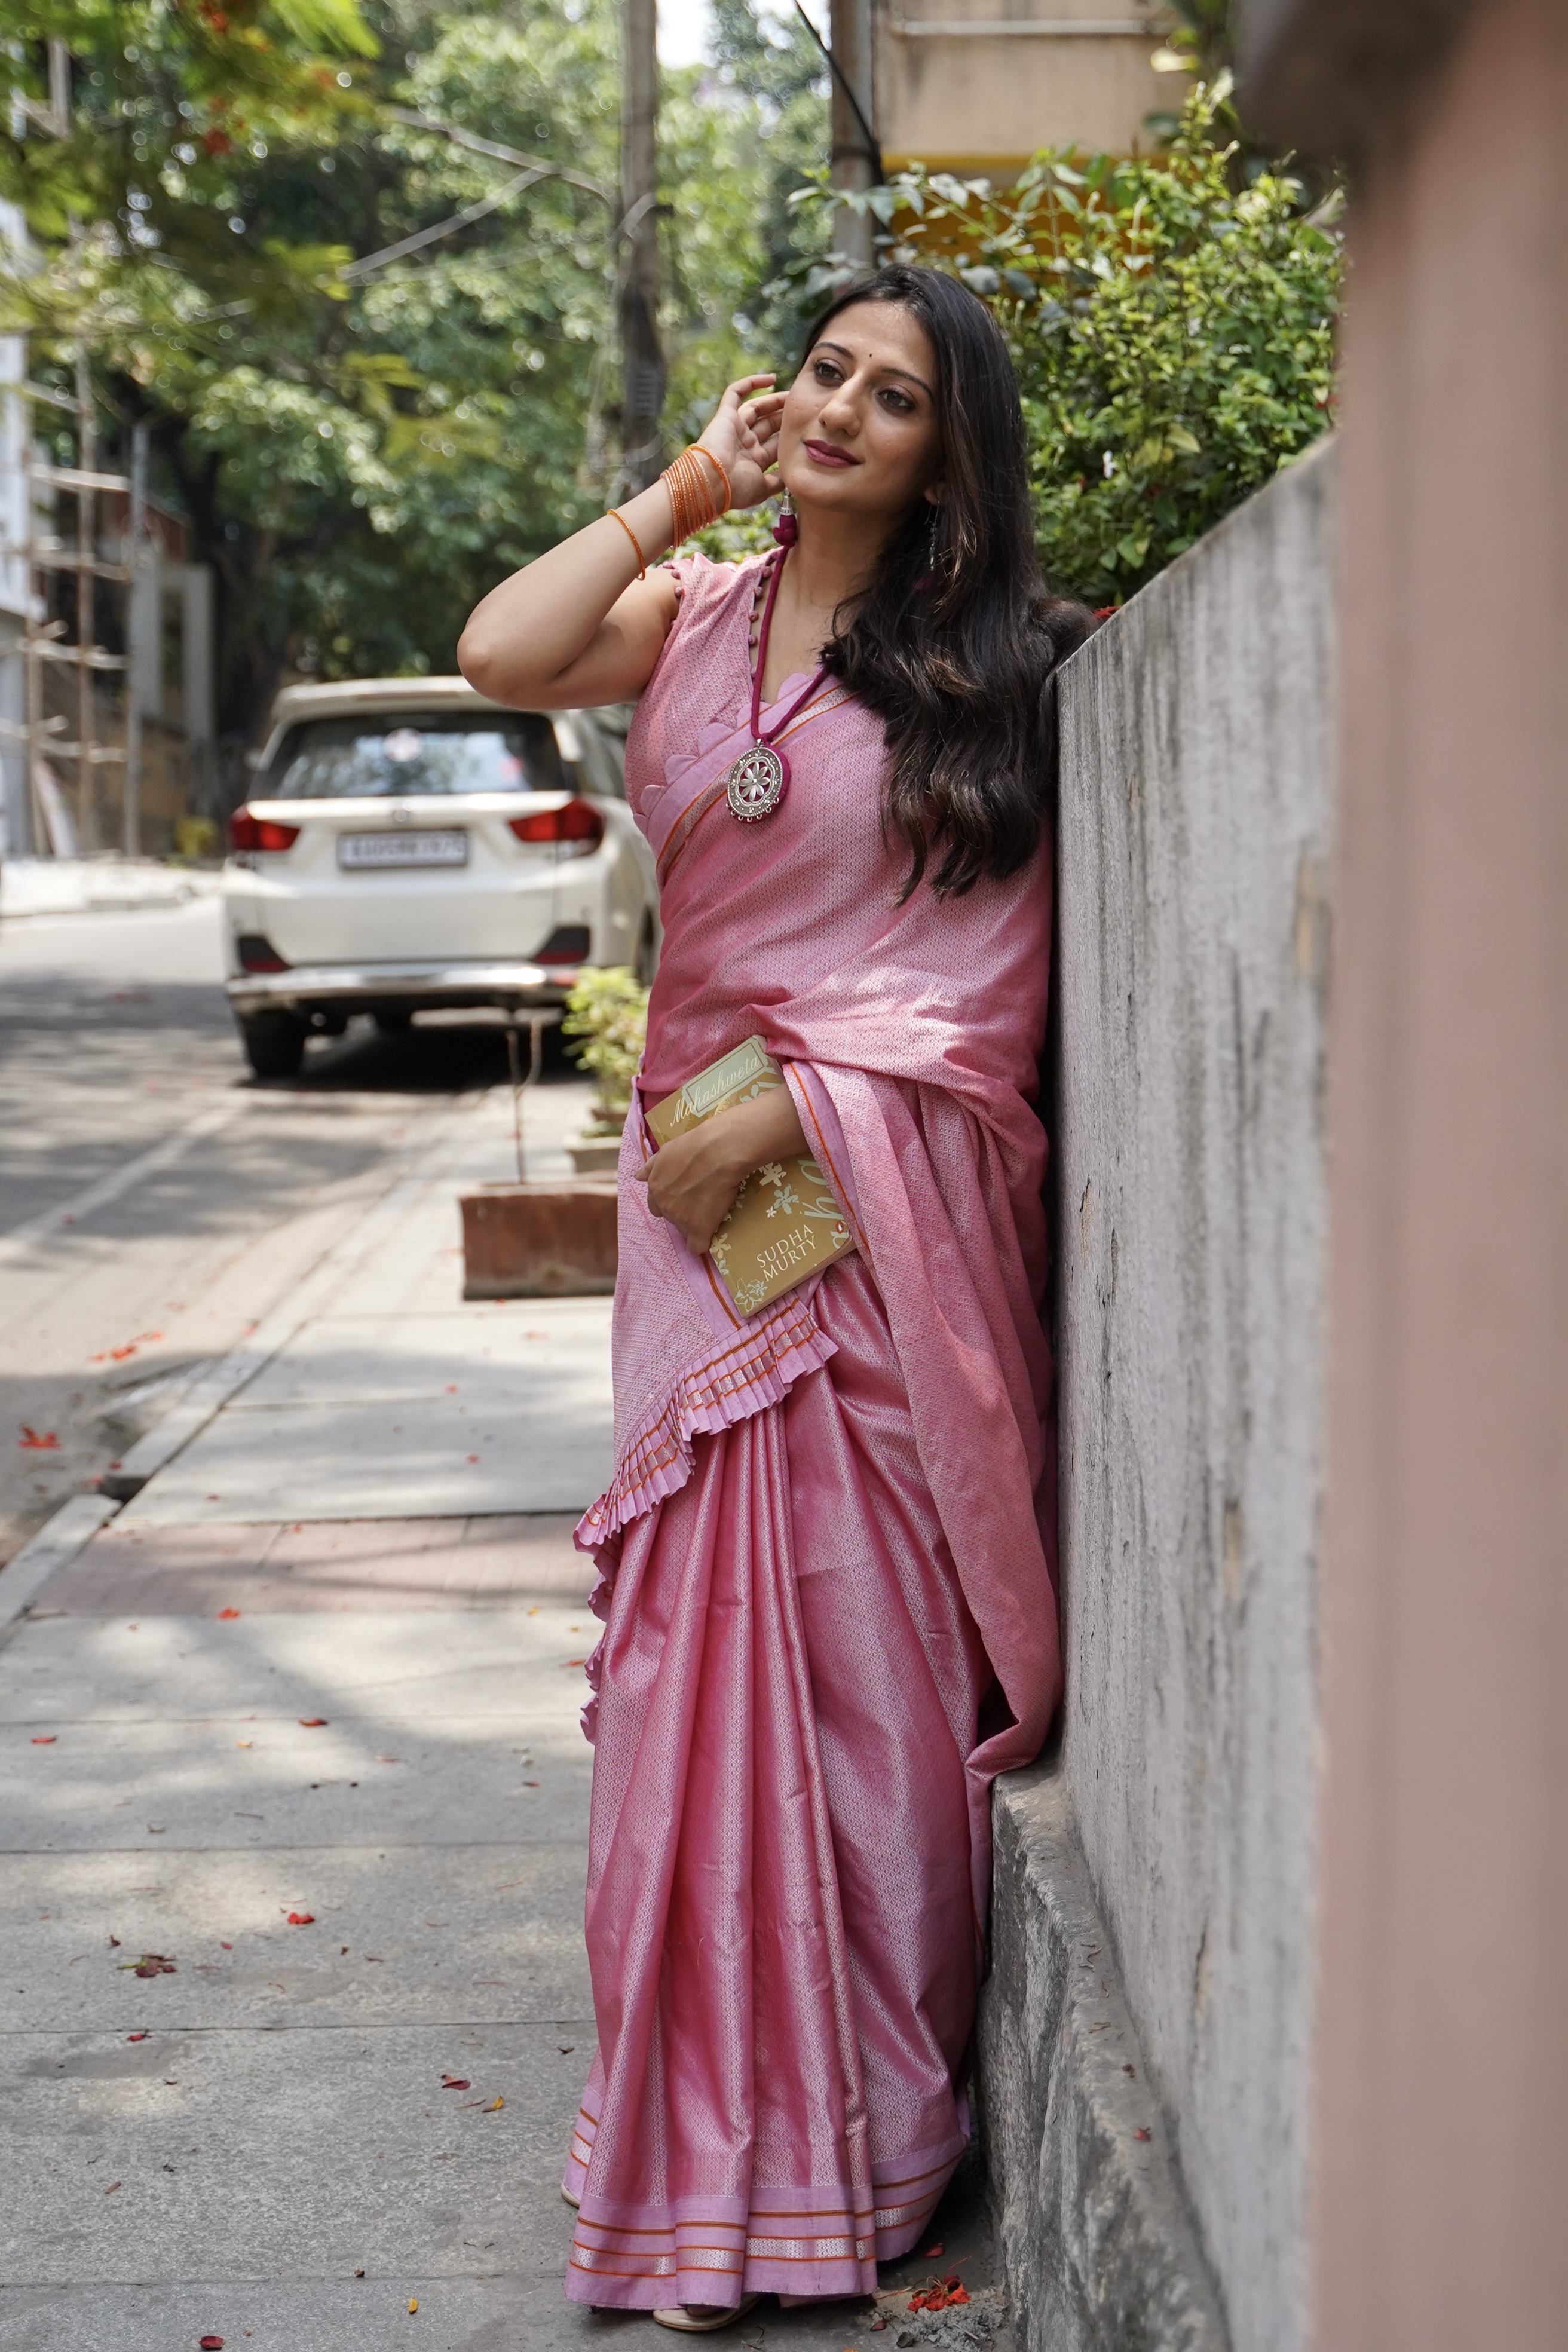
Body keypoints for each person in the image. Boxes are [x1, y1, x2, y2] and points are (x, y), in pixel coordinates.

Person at [458, 264, 1089, 2333]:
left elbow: (981, 1009)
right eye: (822, 371)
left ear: (942, 457)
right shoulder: (694, 614)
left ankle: (863, 2149)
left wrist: (803, 1114)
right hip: (689, 1229)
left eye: (889, 397)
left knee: (860, 1701)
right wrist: (676, 488)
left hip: (857, 1235)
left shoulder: (974, 671)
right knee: (683, 1695)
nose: (833, 411)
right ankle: (699, 2165)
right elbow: (498, 652)